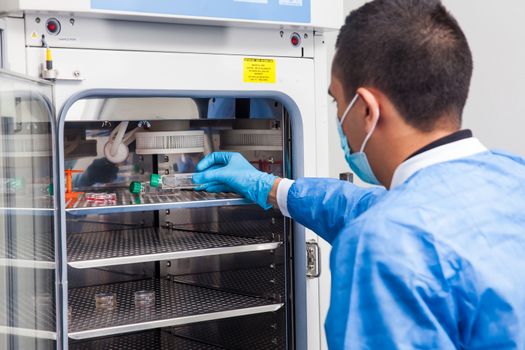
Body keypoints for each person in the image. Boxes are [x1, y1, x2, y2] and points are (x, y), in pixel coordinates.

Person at [193, 0, 525, 348]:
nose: (339, 119)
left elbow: (390, 225)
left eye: (337, 102)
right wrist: (268, 186)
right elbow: (368, 207)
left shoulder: (380, 244)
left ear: (366, 109)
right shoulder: (509, 179)